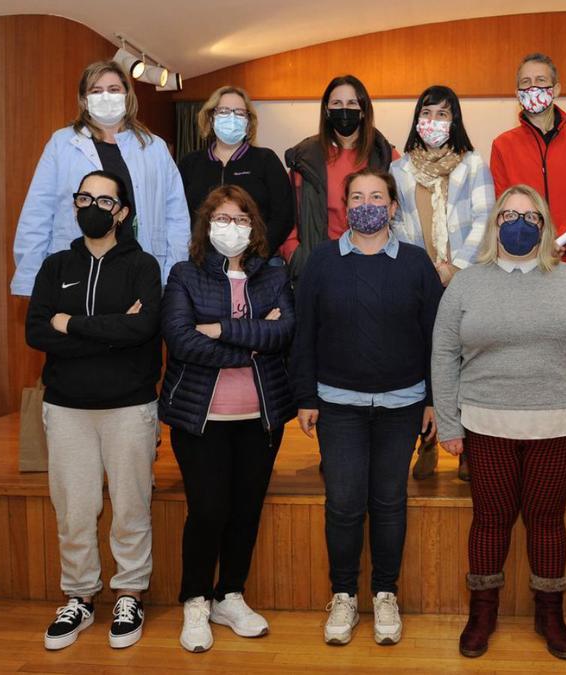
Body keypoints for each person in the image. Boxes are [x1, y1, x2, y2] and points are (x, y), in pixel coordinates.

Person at [432, 184, 566, 660]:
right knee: (490, 520)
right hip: (486, 421)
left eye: (530, 217)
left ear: (546, 226)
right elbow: (444, 352)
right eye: (508, 214)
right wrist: (448, 422)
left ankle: (550, 612)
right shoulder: (467, 282)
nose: (518, 224)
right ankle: (483, 611)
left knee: (547, 521)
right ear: (494, 224)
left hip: (558, 423)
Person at [289, 169, 442, 646]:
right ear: (346, 205)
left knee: (390, 502)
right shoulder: (321, 261)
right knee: (344, 503)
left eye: (378, 196)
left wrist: (435, 400)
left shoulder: (416, 264)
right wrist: (305, 397)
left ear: (393, 207)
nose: (368, 203)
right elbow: (304, 332)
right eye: (358, 196)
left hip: (402, 404)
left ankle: (384, 593)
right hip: (339, 405)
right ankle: (342, 595)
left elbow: (437, 339)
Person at [26, 170, 161, 651]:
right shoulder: (55, 266)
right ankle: (79, 595)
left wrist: (71, 327)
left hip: (129, 407)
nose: (93, 206)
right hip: (66, 409)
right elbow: (37, 332)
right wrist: (105, 332)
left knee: (130, 507)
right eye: (85, 197)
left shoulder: (142, 266)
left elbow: (143, 330)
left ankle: (129, 593)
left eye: (105, 200)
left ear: (122, 212)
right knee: (76, 509)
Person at [159, 185, 297, 652]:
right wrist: (252, 341)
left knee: (245, 510)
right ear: (206, 224)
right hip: (201, 417)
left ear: (254, 227)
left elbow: (283, 333)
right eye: (222, 218)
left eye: (241, 219)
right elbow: (181, 340)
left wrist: (220, 330)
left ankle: (229, 595)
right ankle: (195, 599)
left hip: (260, 416)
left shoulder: (272, 275)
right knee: (208, 510)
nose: (231, 227)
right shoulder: (184, 275)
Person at [489, 53, 566, 484]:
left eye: (542, 81)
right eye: (525, 81)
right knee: (526, 354)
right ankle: (519, 439)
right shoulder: (504, 144)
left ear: (557, 89)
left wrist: (561, 242)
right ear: (517, 91)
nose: (534, 88)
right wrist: (533, 244)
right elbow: (506, 201)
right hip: (520, 265)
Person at [11, 60, 189, 295]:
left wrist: (171, 277)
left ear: (128, 96)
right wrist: (30, 280)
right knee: (79, 330)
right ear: (84, 100)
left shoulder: (154, 147)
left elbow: (176, 217)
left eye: (114, 90)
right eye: (96, 91)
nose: (106, 96)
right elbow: (37, 213)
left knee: (134, 330)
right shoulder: (62, 144)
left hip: (138, 271)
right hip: (75, 270)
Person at [391, 84, 494, 481]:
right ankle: (427, 440)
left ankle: (468, 447)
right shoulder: (399, 170)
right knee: (425, 362)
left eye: (443, 114)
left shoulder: (472, 164)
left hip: (465, 280)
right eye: (427, 113)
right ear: (417, 119)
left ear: (456, 122)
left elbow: (485, 222)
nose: (434, 122)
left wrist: (455, 268)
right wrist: (422, 271)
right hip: (418, 282)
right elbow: (395, 224)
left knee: (466, 362)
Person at [281, 75, 399, 281]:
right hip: (320, 266)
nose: (344, 110)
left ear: (363, 111)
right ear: (326, 110)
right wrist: (294, 254)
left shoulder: (386, 157)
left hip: (375, 264)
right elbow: (288, 212)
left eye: (352, 103)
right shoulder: (305, 159)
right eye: (337, 103)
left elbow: (402, 213)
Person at [177, 85, 295, 257]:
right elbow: (178, 216)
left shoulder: (266, 160)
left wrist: (257, 255)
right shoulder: (190, 164)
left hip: (257, 263)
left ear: (248, 122)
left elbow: (284, 215)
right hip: (201, 263)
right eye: (224, 111)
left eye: (239, 113)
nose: (231, 117)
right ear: (211, 118)